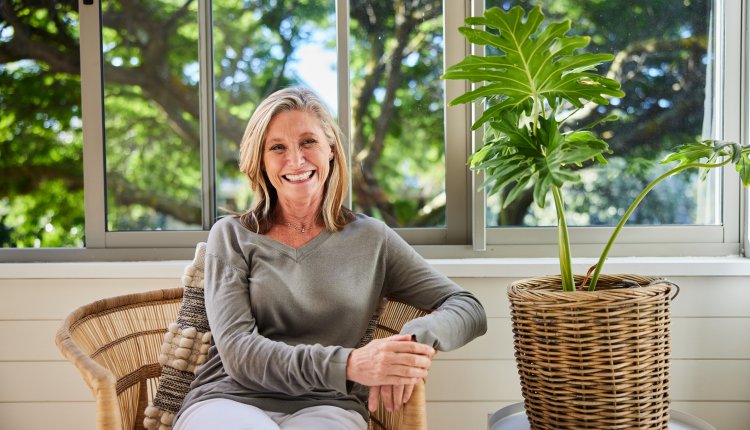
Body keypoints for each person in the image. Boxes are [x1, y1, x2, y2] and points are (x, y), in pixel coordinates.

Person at [173, 87, 487, 430]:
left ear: (331, 150)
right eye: (278, 147)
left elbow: (468, 307)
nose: (295, 160)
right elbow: (238, 353)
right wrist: (349, 364)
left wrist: (411, 342)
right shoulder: (232, 236)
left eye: (308, 142)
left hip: (329, 405)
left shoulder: (372, 239)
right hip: (229, 399)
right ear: (260, 160)